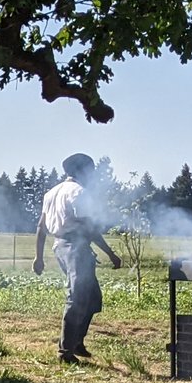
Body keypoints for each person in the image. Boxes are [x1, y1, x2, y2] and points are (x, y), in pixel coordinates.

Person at [34, 153, 122, 363]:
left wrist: (39, 257)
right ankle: (65, 351)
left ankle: (76, 342)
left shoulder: (52, 193)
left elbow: (41, 227)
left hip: (61, 246)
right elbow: (88, 228)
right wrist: (110, 253)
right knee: (77, 297)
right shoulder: (79, 193)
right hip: (75, 247)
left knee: (92, 298)